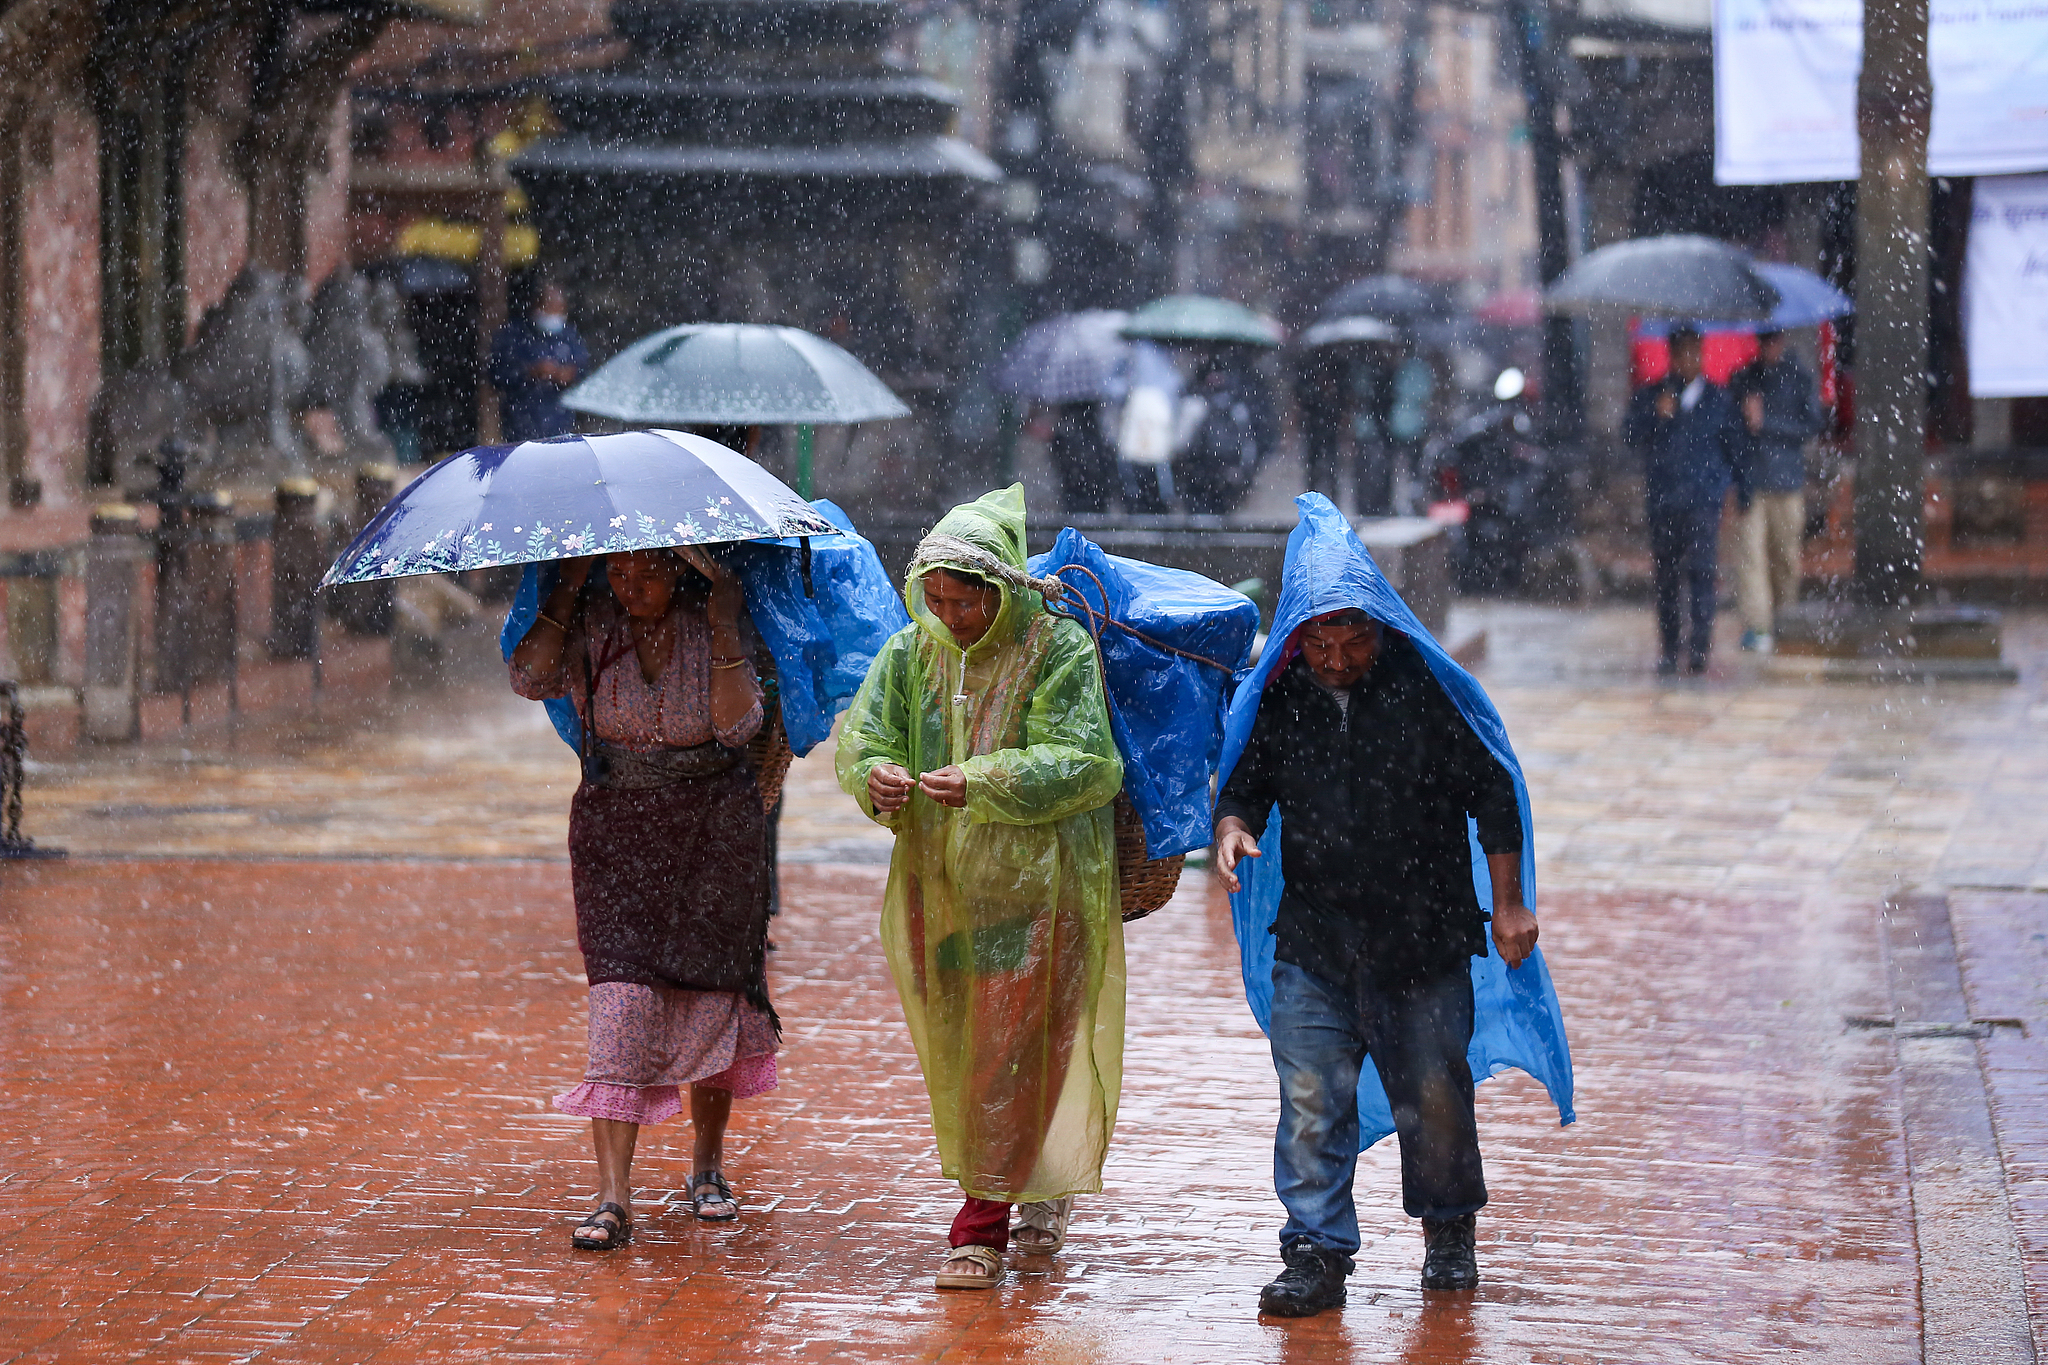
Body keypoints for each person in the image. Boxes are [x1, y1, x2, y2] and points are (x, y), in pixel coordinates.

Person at [835, 484, 1126, 1292]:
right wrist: (877, 777)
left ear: (1000, 590)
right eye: (934, 601)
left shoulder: (1058, 649)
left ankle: (980, 1227)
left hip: (1044, 894)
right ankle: (1028, 1184)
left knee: (1012, 1051)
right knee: (974, 1053)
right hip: (943, 893)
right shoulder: (910, 652)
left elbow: (1089, 762)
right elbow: (862, 739)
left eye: (963, 602)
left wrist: (985, 778)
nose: (950, 617)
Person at [1213, 606, 1538, 1316]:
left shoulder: (1425, 687)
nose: (1334, 660)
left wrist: (1509, 903)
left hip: (1420, 939)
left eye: (1353, 643)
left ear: (1381, 631)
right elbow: (1244, 784)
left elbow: (1494, 793)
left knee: (1435, 1096)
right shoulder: (1285, 694)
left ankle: (1448, 1231)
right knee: (1309, 1101)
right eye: (1320, 645)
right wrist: (1232, 827)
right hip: (1315, 940)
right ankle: (1315, 1251)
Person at [509, 546, 776, 1250]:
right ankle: (611, 1197)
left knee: (713, 995)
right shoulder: (590, 621)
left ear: (682, 570)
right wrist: (566, 591)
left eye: (650, 571)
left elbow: (740, 725)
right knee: (619, 1001)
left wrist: (723, 622)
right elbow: (529, 675)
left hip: (715, 827)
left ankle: (707, 1167)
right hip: (615, 831)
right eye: (619, 572)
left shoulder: (714, 618)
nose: (632, 587)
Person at [1622, 326, 1747, 675]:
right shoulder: (1653, 395)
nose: (1690, 360)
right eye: (1683, 353)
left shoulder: (1719, 400)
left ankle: (1699, 650)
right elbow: (1630, 436)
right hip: (1664, 501)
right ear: (1672, 356)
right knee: (1666, 578)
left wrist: (1737, 490)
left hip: (1703, 501)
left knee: (1703, 575)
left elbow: (1734, 448)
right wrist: (1655, 416)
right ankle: (1669, 647)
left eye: (1696, 352)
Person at [1728, 330, 1823, 652]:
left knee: (1785, 557)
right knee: (1751, 556)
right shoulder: (1744, 379)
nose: (1770, 347)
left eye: (1774, 341)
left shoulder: (1798, 378)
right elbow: (1731, 431)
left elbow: (1811, 425)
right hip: (1752, 481)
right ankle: (1757, 624)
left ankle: (1785, 616)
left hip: (1787, 480)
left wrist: (1766, 423)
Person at [489, 278, 589, 442]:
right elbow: (497, 374)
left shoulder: (569, 336)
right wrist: (530, 372)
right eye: (549, 308)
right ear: (537, 306)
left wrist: (568, 375)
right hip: (520, 421)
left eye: (558, 310)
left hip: (560, 421)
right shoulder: (514, 335)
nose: (553, 315)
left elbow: (584, 371)